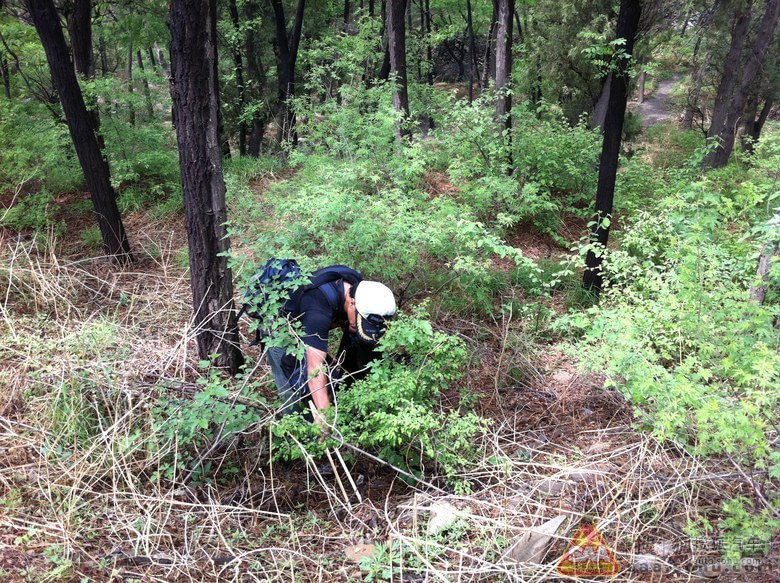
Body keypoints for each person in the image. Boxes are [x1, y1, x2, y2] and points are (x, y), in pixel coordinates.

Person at [264, 265, 396, 419]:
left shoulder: (360, 290)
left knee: (337, 371)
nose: (358, 326)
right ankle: (292, 425)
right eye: (359, 321)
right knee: (294, 392)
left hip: (309, 325)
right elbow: (315, 369)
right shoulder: (318, 308)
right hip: (281, 332)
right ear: (352, 303)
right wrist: (325, 417)